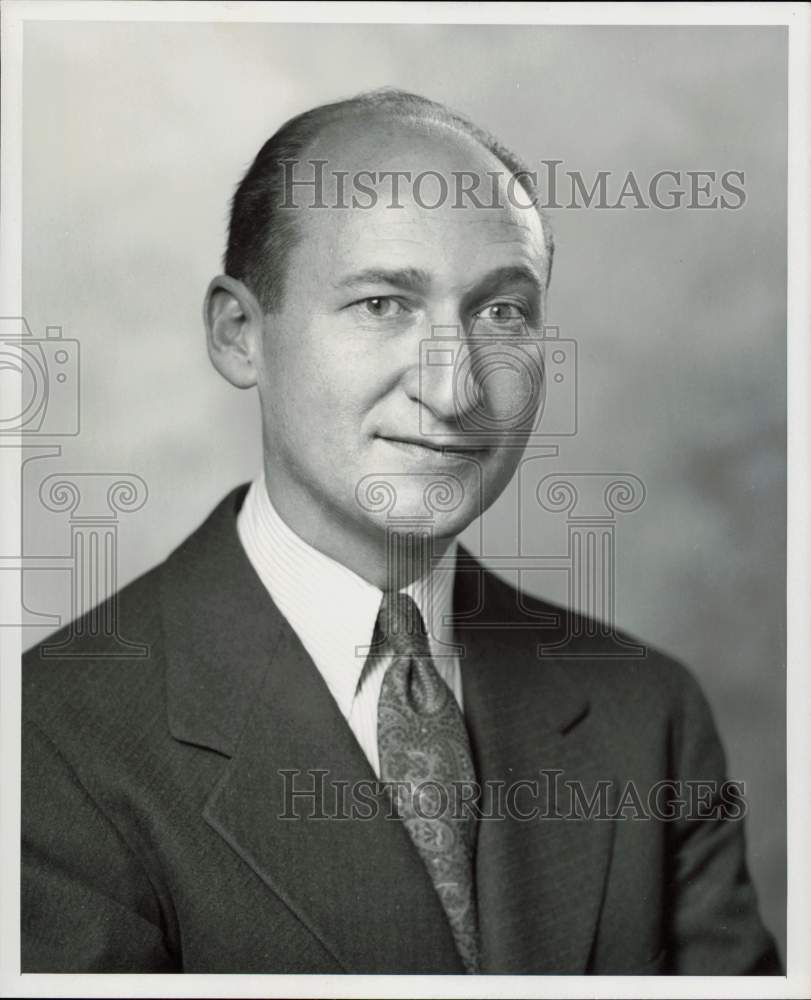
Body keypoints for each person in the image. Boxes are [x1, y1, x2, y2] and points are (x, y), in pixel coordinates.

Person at [21, 89, 780, 975]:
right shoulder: (48, 744)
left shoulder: (647, 715)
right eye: (383, 304)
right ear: (239, 335)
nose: (454, 389)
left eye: (502, 312)